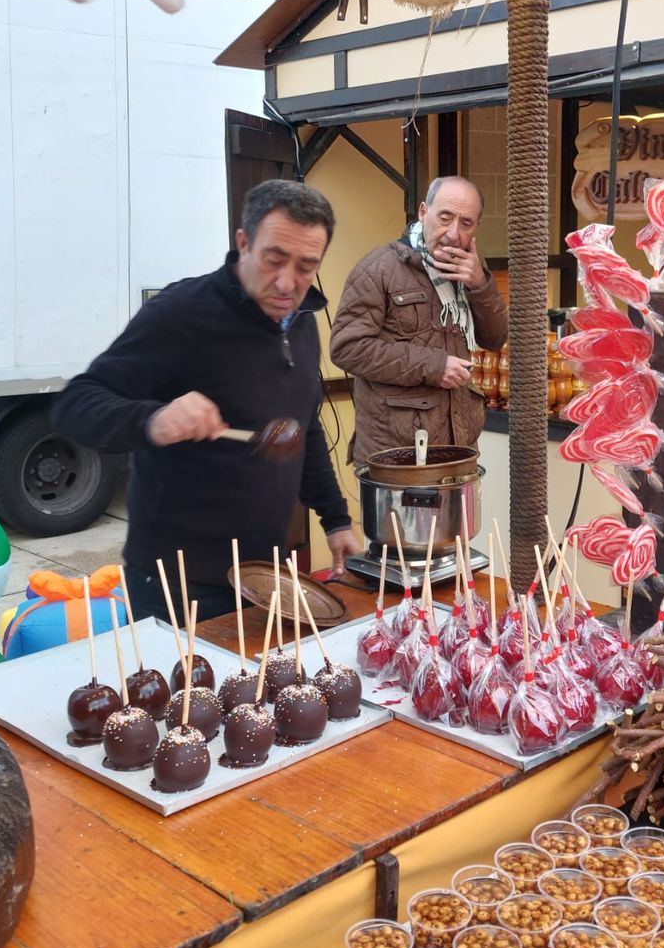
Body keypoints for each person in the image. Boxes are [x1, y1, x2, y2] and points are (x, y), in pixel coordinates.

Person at [51, 179, 360, 623]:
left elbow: (302, 429)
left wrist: (335, 519)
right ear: (243, 243)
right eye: (274, 260)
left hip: (262, 575)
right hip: (178, 581)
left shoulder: (302, 322)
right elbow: (75, 406)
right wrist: (154, 419)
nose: (287, 283)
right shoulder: (182, 313)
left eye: (306, 267)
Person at [330, 175, 508, 463]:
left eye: (466, 223)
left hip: (458, 449)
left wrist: (480, 285)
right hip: (394, 455)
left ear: (477, 226)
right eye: (445, 218)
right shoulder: (379, 268)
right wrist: (434, 366)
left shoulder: (471, 269)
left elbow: (495, 338)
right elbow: (347, 348)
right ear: (424, 212)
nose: (453, 234)